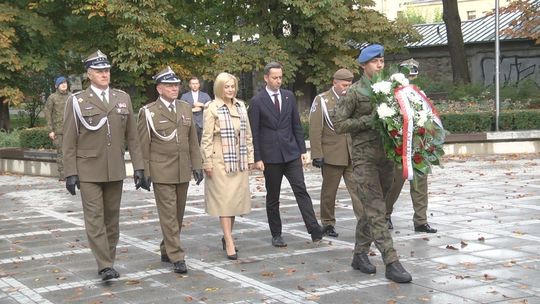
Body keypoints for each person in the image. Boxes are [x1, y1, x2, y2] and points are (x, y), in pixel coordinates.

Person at [62, 50, 150, 281]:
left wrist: (139, 167)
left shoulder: (122, 98)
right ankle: (104, 265)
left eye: (107, 70)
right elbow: (69, 139)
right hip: (88, 169)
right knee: (94, 217)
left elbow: (133, 138)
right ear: (89, 74)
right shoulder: (77, 101)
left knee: (112, 219)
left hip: (115, 169)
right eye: (100, 71)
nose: (105, 74)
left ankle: (108, 260)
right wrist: (70, 172)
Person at [332, 44, 412, 283]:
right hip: (363, 159)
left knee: (374, 208)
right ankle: (391, 261)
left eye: (382, 60)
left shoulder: (390, 91)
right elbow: (339, 124)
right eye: (375, 61)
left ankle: (359, 254)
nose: (380, 65)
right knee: (377, 210)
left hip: (386, 157)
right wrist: (370, 120)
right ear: (363, 65)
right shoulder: (354, 93)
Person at [248, 61, 324, 248]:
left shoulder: (289, 97)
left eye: (280, 77)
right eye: (274, 78)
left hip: (290, 154)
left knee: (301, 190)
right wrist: (257, 158)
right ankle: (276, 234)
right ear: (266, 78)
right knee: (273, 196)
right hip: (270, 156)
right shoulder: (257, 101)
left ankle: (314, 229)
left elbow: (296, 126)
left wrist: (301, 151)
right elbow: (254, 132)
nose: (278, 81)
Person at [137, 66, 203, 273]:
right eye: (169, 85)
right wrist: (144, 172)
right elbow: (143, 145)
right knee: (168, 215)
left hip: (182, 169)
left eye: (175, 85)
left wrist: (197, 165)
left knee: (178, 214)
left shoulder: (184, 107)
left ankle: (166, 248)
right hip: (161, 170)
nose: (174, 88)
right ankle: (177, 256)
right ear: (159, 88)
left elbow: (192, 140)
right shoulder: (148, 112)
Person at [201, 72, 254, 260]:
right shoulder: (212, 108)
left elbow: (247, 134)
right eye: (227, 87)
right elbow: (206, 138)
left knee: (233, 202)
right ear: (219, 88)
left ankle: (227, 236)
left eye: (233, 86)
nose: (230, 90)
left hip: (238, 160)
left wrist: (250, 158)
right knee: (224, 202)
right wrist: (206, 161)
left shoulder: (241, 106)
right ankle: (230, 241)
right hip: (219, 160)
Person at [309, 68, 364, 238]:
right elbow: (315, 128)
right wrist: (317, 154)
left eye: (349, 84)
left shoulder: (353, 98)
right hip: (332, 153)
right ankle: (327, 223)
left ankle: (364, 222)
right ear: (335, 82)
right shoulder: (323, 100)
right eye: (344, 84)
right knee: (329, 192)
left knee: (357, 189)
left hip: (351, 152)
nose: (347, 88)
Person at [385, 58, 437, 234]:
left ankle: (421, 221)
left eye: (414, 76)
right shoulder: (391, 95)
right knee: (395, 183)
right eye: (408, 76)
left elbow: (429, 116)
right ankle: (385, 214)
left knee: (420, 183)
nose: (412, 79)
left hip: (418, 144)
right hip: (399, 145)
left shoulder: (419, 94)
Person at [44, 76, 69, 181]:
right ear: (56, 86)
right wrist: (50, 130)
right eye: (61, 83)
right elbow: (47, 114)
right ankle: (63, 175)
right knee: (61, 153)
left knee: (73, 153)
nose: (64, 84)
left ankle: (74, 174)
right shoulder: (52, 98)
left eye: (65, 82)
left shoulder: (72, 97)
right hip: (59, 131)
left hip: (72, 130)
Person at [180, 76, 212, 144]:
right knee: (191, 145)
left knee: (203, 144)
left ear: (199, 85)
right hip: (189, 124)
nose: (195, 85)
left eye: (196, 83)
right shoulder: (184, 96)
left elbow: (211, 108)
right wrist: (191, 110)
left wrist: (202, 105)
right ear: (190, 85)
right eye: (193, 83)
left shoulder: (205, 96)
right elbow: (180, 109)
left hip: (203, 124)